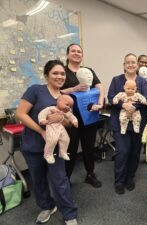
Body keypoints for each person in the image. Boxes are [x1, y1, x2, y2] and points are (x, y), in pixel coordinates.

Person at [16, 60, 78, 225]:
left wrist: (60, 118)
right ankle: (47, 206)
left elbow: (66, 123)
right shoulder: (36, 90)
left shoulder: (65, 98)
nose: (60, 76)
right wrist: (42, 130)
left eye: (62, 73)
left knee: (60, 179)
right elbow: (21, 114)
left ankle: (69, 213)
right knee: (38, 179)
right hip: (33, 144)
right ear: (46, 75)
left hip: (55, 146)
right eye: (55, 73)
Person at [61, 43, 105, 188]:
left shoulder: (88, 70)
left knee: (88, 147)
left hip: (89, 116)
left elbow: (100, 86)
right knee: (71, 149)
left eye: (79, 51)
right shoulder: (62, 72)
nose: (77, 53)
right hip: (70, 118)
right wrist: (74, 89)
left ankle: (90, 174)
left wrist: (100, 102)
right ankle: (66, 178)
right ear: (68, 54)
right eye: (73, 51)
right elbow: (57, 92)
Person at [108, 53, 147, 195]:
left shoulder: (143, 82)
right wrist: (123, 105)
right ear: (124, 65)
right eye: (128, 62)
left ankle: (130, 178)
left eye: (133, 62)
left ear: (137, 65)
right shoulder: (116, 80)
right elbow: (111, 98)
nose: (131, 64)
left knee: (134, 152)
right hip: (120, 122)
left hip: (138, 122)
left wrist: (135, 107)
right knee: (122, 152)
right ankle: (119, 181)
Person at [38, 95, 78, 164]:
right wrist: (42, 120)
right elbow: (42, 113)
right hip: (51, 126)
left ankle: (62, 152)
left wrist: (75, 121)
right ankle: (48, 154)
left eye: (70, 106)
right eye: (67, 104)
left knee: (66, 139)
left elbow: (71, 116)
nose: (68, 107)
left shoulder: (66, 112)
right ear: (59, 101)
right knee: (52, 140)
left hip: (60, 127)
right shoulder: (51, 108)